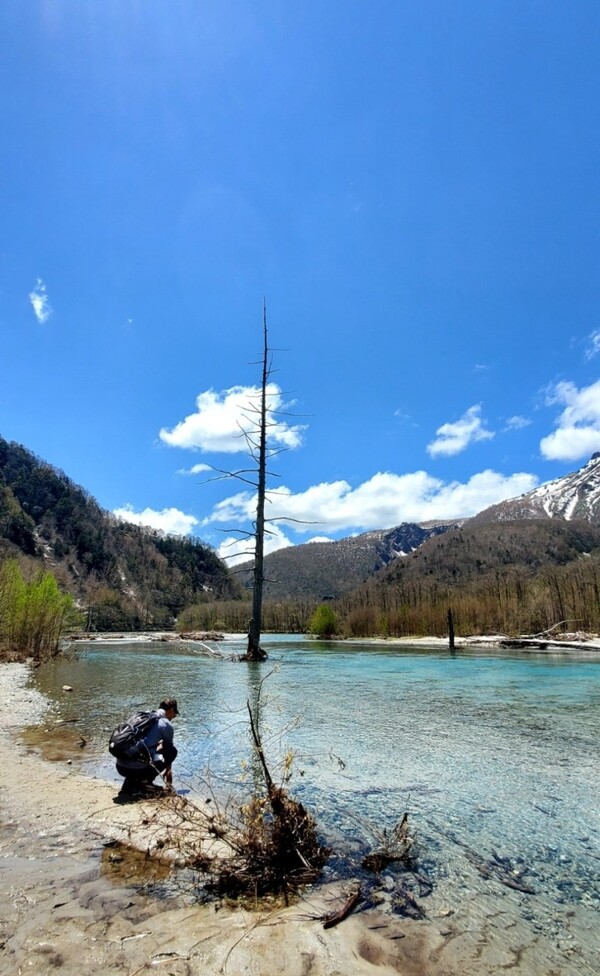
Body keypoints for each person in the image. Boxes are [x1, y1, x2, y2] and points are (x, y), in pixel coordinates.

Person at [116, 697, 179, 796]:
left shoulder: (142, 716)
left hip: (120, 767)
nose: (173, 718)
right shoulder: (166, 724)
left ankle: (130, 784)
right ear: (171, 710)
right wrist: (168, 771)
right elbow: (168, 748)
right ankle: (145, 782)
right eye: (174, 715)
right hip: (136, 769)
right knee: (172, 751)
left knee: (141, 752)